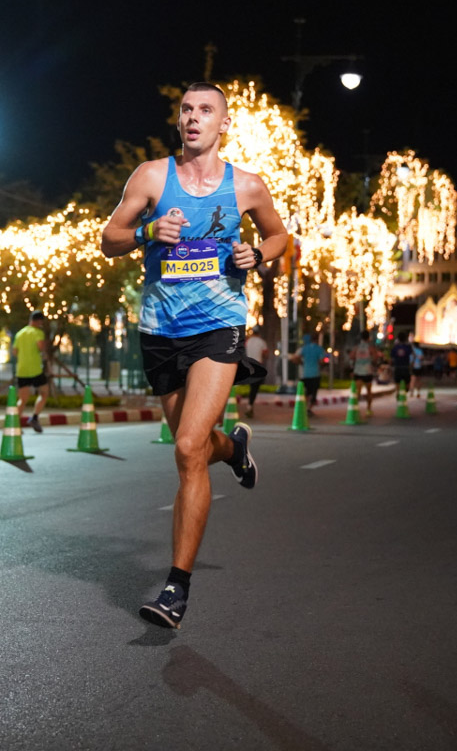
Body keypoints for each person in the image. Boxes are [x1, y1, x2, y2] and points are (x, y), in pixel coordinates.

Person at [100, 81, 288, 629]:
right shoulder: (152, 177)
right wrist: (145, 233)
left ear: (223, 123)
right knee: (196, 447)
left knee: (185, 448)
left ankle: (176, 589)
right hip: (160, 327)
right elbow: (107, 237)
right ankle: (232, 450)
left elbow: (280, 237)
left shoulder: (247, 186)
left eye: (206, 111)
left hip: (218, 323)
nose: (193, 118)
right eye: (186, 110)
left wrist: (258, 252)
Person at [11, 310, 49, 433]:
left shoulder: (20, 333)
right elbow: (40, 347)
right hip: (35, 369)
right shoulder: (38, 332)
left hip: (21, 370)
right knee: (44, 393)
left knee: (22, 399)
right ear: (39, 321)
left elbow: (15, 352)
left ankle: (15, 424)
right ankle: (35, 417)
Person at [290, 331, 324, 415]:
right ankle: (309, 408)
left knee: (307, 392)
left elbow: (294, 358)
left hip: (305, 374)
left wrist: (301, 363)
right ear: (317, 340)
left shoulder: (304, 348)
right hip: (315, 373)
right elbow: (321, 361)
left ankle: (304, 407)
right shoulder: (319, 349)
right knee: (313, 392)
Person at [243, 327, 268, 419]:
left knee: (252, 386)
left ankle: (250, 406)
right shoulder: (261, 342)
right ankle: (250, 406)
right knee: (255, 387)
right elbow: (266, 353)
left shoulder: (248, 341)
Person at [350, 329, 377, 416]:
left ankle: (355, 408)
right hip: (367, 371)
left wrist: (358, 361)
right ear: (368, 338)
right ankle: (368, 409)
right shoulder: (370, 347)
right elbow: (375, 358)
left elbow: (351, 356)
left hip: (358, 371)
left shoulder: (356, 347)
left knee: (358, 391)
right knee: (369, 391)